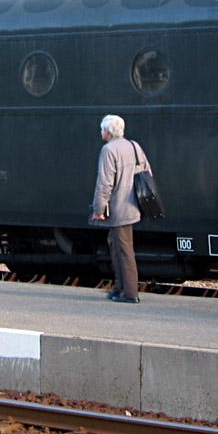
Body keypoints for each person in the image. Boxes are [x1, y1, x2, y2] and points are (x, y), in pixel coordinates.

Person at [90, 114, 152, 304]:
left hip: (119, 208)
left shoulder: (108, 150)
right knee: (116, 246)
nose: (101, 132)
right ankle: (119, 288)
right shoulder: (134, 146)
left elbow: (105, 183)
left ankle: (130, 293)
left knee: (124, 250)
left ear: (108, 131)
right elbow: (147, 172)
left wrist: (98, 209)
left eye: (102, 129)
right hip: (133, 206)